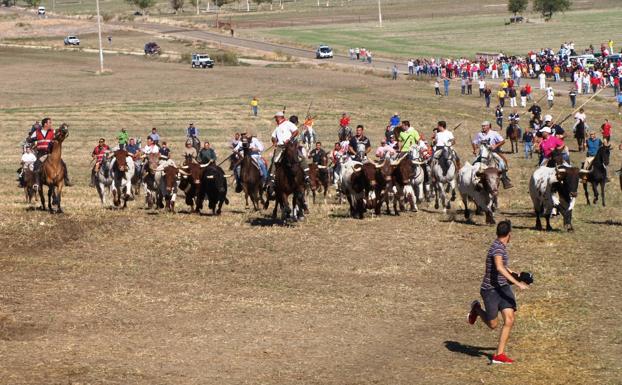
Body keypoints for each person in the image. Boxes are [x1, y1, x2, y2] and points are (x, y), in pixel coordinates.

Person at [467, 220, 529, 365]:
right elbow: (499, 267)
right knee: (493, 324)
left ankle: (499, 355)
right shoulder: (497, 248)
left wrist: (518, 275)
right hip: (490, 290)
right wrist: (517, 283)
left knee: (509, 319)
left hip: (503, 288)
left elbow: (504, 268)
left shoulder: (500, 247)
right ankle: (476, 308)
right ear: (509, 235)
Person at [30, 117, 72, 187]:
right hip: (41, 153)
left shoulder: (53, 131)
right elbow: (29, 139)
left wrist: (64, 129)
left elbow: (60, 132)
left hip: (51, 153)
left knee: (63, 164)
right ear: (45, 124)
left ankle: (66, 180)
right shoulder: (36, 132)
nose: (51, 124)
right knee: (36, 165)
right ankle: (36, 183)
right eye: (49, 123)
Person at [472, 121, 512, 188]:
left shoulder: (494, 133)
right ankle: (475, 180)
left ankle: (504, 179)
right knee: (473, 164)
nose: (483, 127)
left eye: (484, 126)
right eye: (482, 126)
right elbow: (474, 142)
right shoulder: (479, 134)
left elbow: (503, 141)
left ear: (488, 126)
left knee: (502, 163)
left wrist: (496, 146)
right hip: (482, 154)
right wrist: (475, 149)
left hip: (493, 152)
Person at [269, 111, 308, 180]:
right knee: (275, 160)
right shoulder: (277, 127)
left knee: (301, 157)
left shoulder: (288, 123)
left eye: (276, 118)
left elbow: (296, 131)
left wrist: (289, 139)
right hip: (280, 147)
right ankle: (271, 178)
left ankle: (307, 175)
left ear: (279, 117)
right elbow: (273, 136)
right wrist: (274, 142)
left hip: (290, 146)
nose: (275, 119)